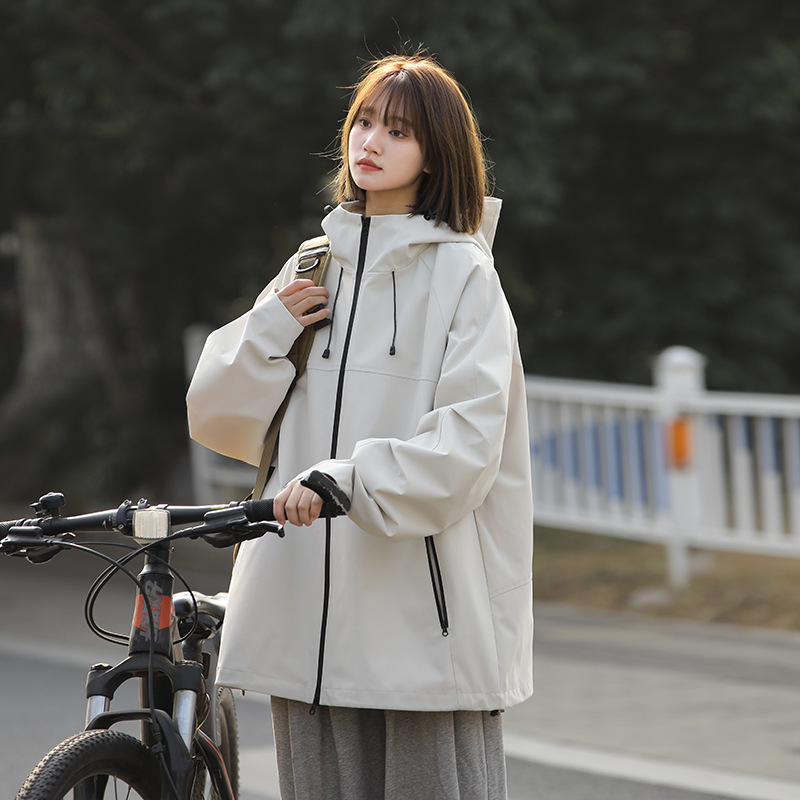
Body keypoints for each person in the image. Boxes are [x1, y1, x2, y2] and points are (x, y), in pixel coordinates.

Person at [186, 52, 533, 800]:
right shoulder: (312, 264)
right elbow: (216, 417)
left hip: (418, 613)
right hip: (302, 607)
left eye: (398, 131)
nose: (370, 142)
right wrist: (270, 327)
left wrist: (348, 478)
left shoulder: (465, 274)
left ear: (436, 154)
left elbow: (469, 443)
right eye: (364, 122)